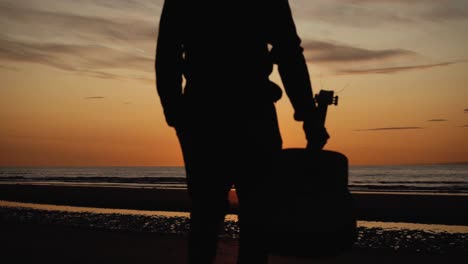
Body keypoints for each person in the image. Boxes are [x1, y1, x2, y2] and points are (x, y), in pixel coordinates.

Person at [155, 1, 329, 263]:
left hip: (207, 116)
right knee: (249, 218)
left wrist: (177, 113)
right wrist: (308, 116)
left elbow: (167, 53)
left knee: (210, 215)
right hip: (243, 115)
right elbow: (288, 52)